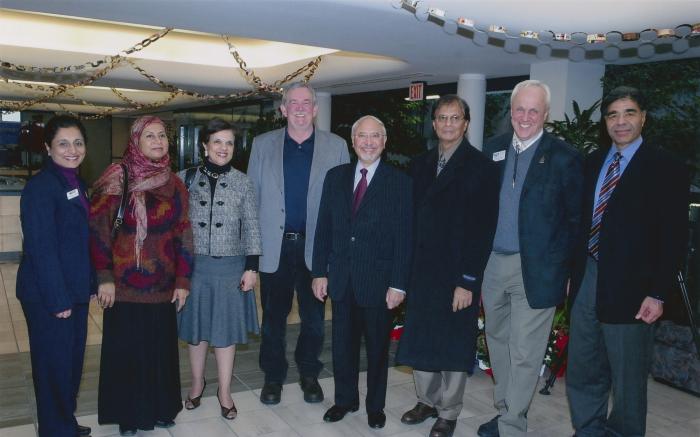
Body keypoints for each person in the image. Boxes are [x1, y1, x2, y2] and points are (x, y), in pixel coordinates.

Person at [566, 86, 689, 437]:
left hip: (635, 289)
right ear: (605, 122)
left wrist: (658, 293)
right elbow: (580, 223)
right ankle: (588, 429)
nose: (621, 122)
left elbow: (674, 238)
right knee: (584, 366)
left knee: (627, 377)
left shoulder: (666, 167)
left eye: (629, 113)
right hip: (588, 276)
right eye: (613, 115)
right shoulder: (591, 164)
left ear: (643, 117)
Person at [478, 80, 583, 437]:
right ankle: (507, 408)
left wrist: (567, 272)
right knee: (497, 341)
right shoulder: (491, 150)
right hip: (492, 264)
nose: (525, 117)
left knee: (525, 350)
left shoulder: (565, 158)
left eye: (533, 110)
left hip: (537, 270)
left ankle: (511, 426)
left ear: (546, 115)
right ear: (511, 112)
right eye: (519, 109)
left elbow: (575, 221)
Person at [397, 95, 500, 437]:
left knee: (453, 342)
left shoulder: (482, 167)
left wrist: (468, 281)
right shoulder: (420, 164)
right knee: (423, 337)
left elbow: (484, 229)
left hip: (458, 274)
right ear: (434, 123)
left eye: (455, 118)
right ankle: (425, 401)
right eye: (442, 118)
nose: (448, 124)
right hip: (423, 270)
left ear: (466, 123)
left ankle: (449, 411)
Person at [90, 115, 193, 436]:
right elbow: (97, 232)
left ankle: (162, 408)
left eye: (162, 135)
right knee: (127, 353)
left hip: (163, 287)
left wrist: (184, 281)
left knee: (160, 352)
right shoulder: (116, 178)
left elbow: (184, 233)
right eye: (150, 136)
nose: (158, 141)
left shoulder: (174, 184)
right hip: (123, 287)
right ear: (136, 140)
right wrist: (103, 275)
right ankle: (129, 415)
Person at [247, 82, 350, 405]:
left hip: (315, 249)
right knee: (273, 319)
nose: (301, 108)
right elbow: (252, 201)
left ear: (316, 109)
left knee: (315, 319)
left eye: (307, 103)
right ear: (283, 109)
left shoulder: (336, 147)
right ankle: (273, 378)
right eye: (294, 103)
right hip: (275, 247)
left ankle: (309, 374)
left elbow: (343, 205)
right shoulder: (262, 145)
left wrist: (336, 254)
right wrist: (251, 253)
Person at [312, 115, 412, 429]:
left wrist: (399, 283)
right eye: (362, 137)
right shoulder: (335, 177)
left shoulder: (400, 182)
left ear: (384, 141)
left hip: (379, 283)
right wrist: (319, 272)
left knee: (378, 350)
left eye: (375, 136)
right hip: (341, 279)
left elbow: (404, 238)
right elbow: (323, 228)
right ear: (353, 142)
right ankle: (345, 400)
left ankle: (375, 407)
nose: (368, 142)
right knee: (342, 346)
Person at [177, 118, 262, 420]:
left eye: (229, 142)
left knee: (225, 333)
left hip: (231, 268)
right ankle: (197, 383)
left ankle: (224, 391)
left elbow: (252, 226)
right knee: (196, 331)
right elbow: (175, 227)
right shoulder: (184, 178)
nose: (223, 148)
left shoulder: (243, 181)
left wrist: (252, 267)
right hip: (194, 268)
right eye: (217, 142)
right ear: (204, 146)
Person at [17, 115, 93, 437]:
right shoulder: (40, 187)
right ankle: (55, 430)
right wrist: (58, 299)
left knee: (71, 366)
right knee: (53, 369)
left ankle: (65, 422)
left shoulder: (75, 182)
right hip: (50, 295)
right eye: (63, 143)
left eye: (77, 142)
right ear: (48, 148)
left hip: (73, 290)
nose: (72, 149)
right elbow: (41, 248)